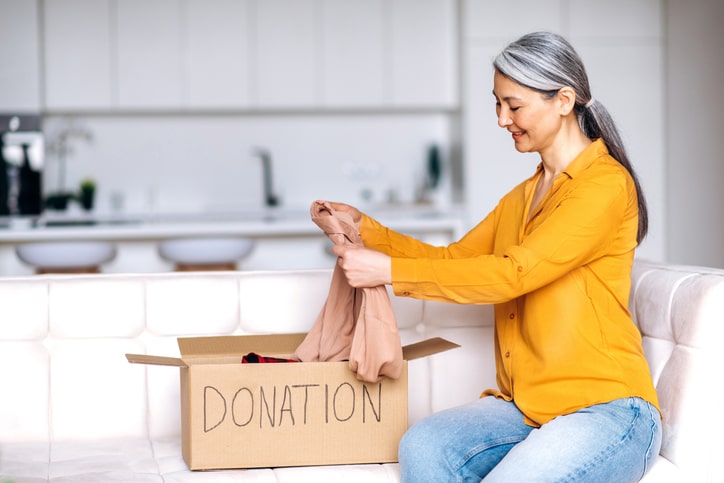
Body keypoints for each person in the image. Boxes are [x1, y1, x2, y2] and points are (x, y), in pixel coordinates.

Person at [324, 31, 662, 482]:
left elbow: (514, 273)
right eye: (497, 104)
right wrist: (368, 231)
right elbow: (455, 259)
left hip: (606, 409)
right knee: (423, 446)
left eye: (514, 105)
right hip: (527, 407)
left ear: (563, 100)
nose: (502, 119)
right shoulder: (523, 196)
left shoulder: (604, 186)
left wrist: (388, 271)